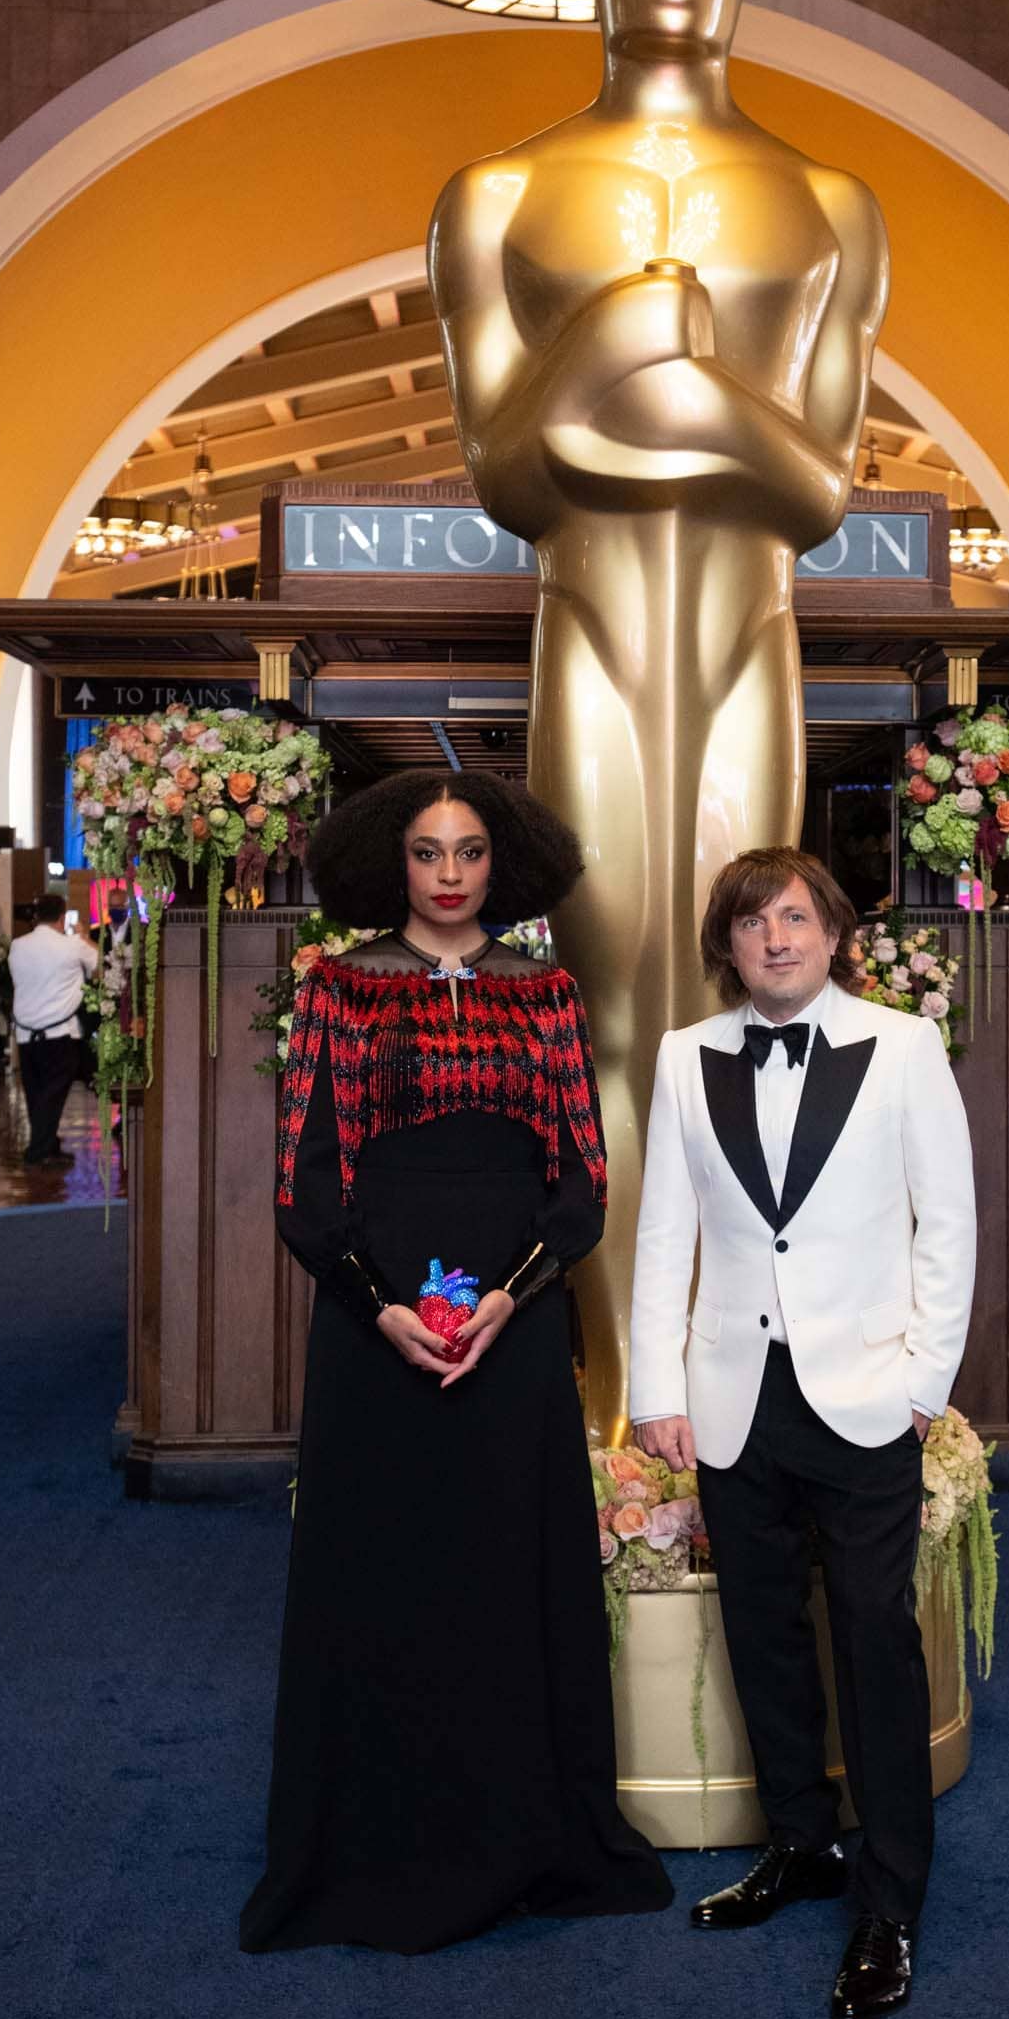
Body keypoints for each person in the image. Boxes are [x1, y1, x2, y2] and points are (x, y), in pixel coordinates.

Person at [239, 772, 672, 1956]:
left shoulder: (545, 991)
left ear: (500, 864)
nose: (447, 872)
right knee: (377, 1567)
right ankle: (365, 1840)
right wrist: (379, 1305)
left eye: (469, 851)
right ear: (394, 861)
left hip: (511, 1320)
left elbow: (580, 1187)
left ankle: (523, 1831)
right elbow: (303, 1179)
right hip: (369, 1327)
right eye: (427, 851)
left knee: (502, 1571)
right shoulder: (337, 985)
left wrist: (505, 1301)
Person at [629, 848, 975, 2019]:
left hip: (866, 1396)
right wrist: (653, 1382)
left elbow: (948, 1223)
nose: (772, 938)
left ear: (831, 932)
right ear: (723, 944)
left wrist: (923, 1379)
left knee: (873, 1638)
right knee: (763, 1634)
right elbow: (662, 1231)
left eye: (792, 917)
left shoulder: (903, 1048)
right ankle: (797, 1843)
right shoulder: (685, 1056)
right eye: (747, 921)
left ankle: (888, 1901)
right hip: (732, 1395)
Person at [6, 894, 97, 1165]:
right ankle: (39, 1150)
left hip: (25, 1033)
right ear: (62, 916)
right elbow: (100, 964)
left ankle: (47, 1144)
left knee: (36, 1092)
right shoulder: (72, 945)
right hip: (59, 1034)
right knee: (52, 1093)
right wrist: (84, 936)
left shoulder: (17, 945)